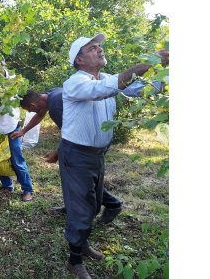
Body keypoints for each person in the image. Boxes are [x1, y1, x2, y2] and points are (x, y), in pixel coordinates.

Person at [56, 33, 168, 278]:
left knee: (94, 204)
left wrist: (161, 72)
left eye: (99, 47)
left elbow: (137, 89)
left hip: (96, 155)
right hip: (76, 155)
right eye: (92, 48)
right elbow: (106, 88)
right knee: (81, 209)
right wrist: (147, 62)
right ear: (79, 60)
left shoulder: (105, 78)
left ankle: (82, 244)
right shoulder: (75, 82)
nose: (99, 50)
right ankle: (74, 260)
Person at [14, 82, 162, 220]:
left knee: (82, 178)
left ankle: (112, 205)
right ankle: (72, 206)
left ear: (33, 104)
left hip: (88, 140)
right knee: (71, 175)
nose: (31, 112)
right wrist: (24, 131)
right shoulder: (50, 95)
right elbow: (40, 114)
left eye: (29, 110)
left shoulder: (56, 106)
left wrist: (57, 153)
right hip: (88, 138)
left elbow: (70, 133)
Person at [0, 60, 34, 202]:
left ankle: (28, 190)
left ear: (1, 65)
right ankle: (7, 186)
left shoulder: (11, 79)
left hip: (12, 128)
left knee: (17, 159)